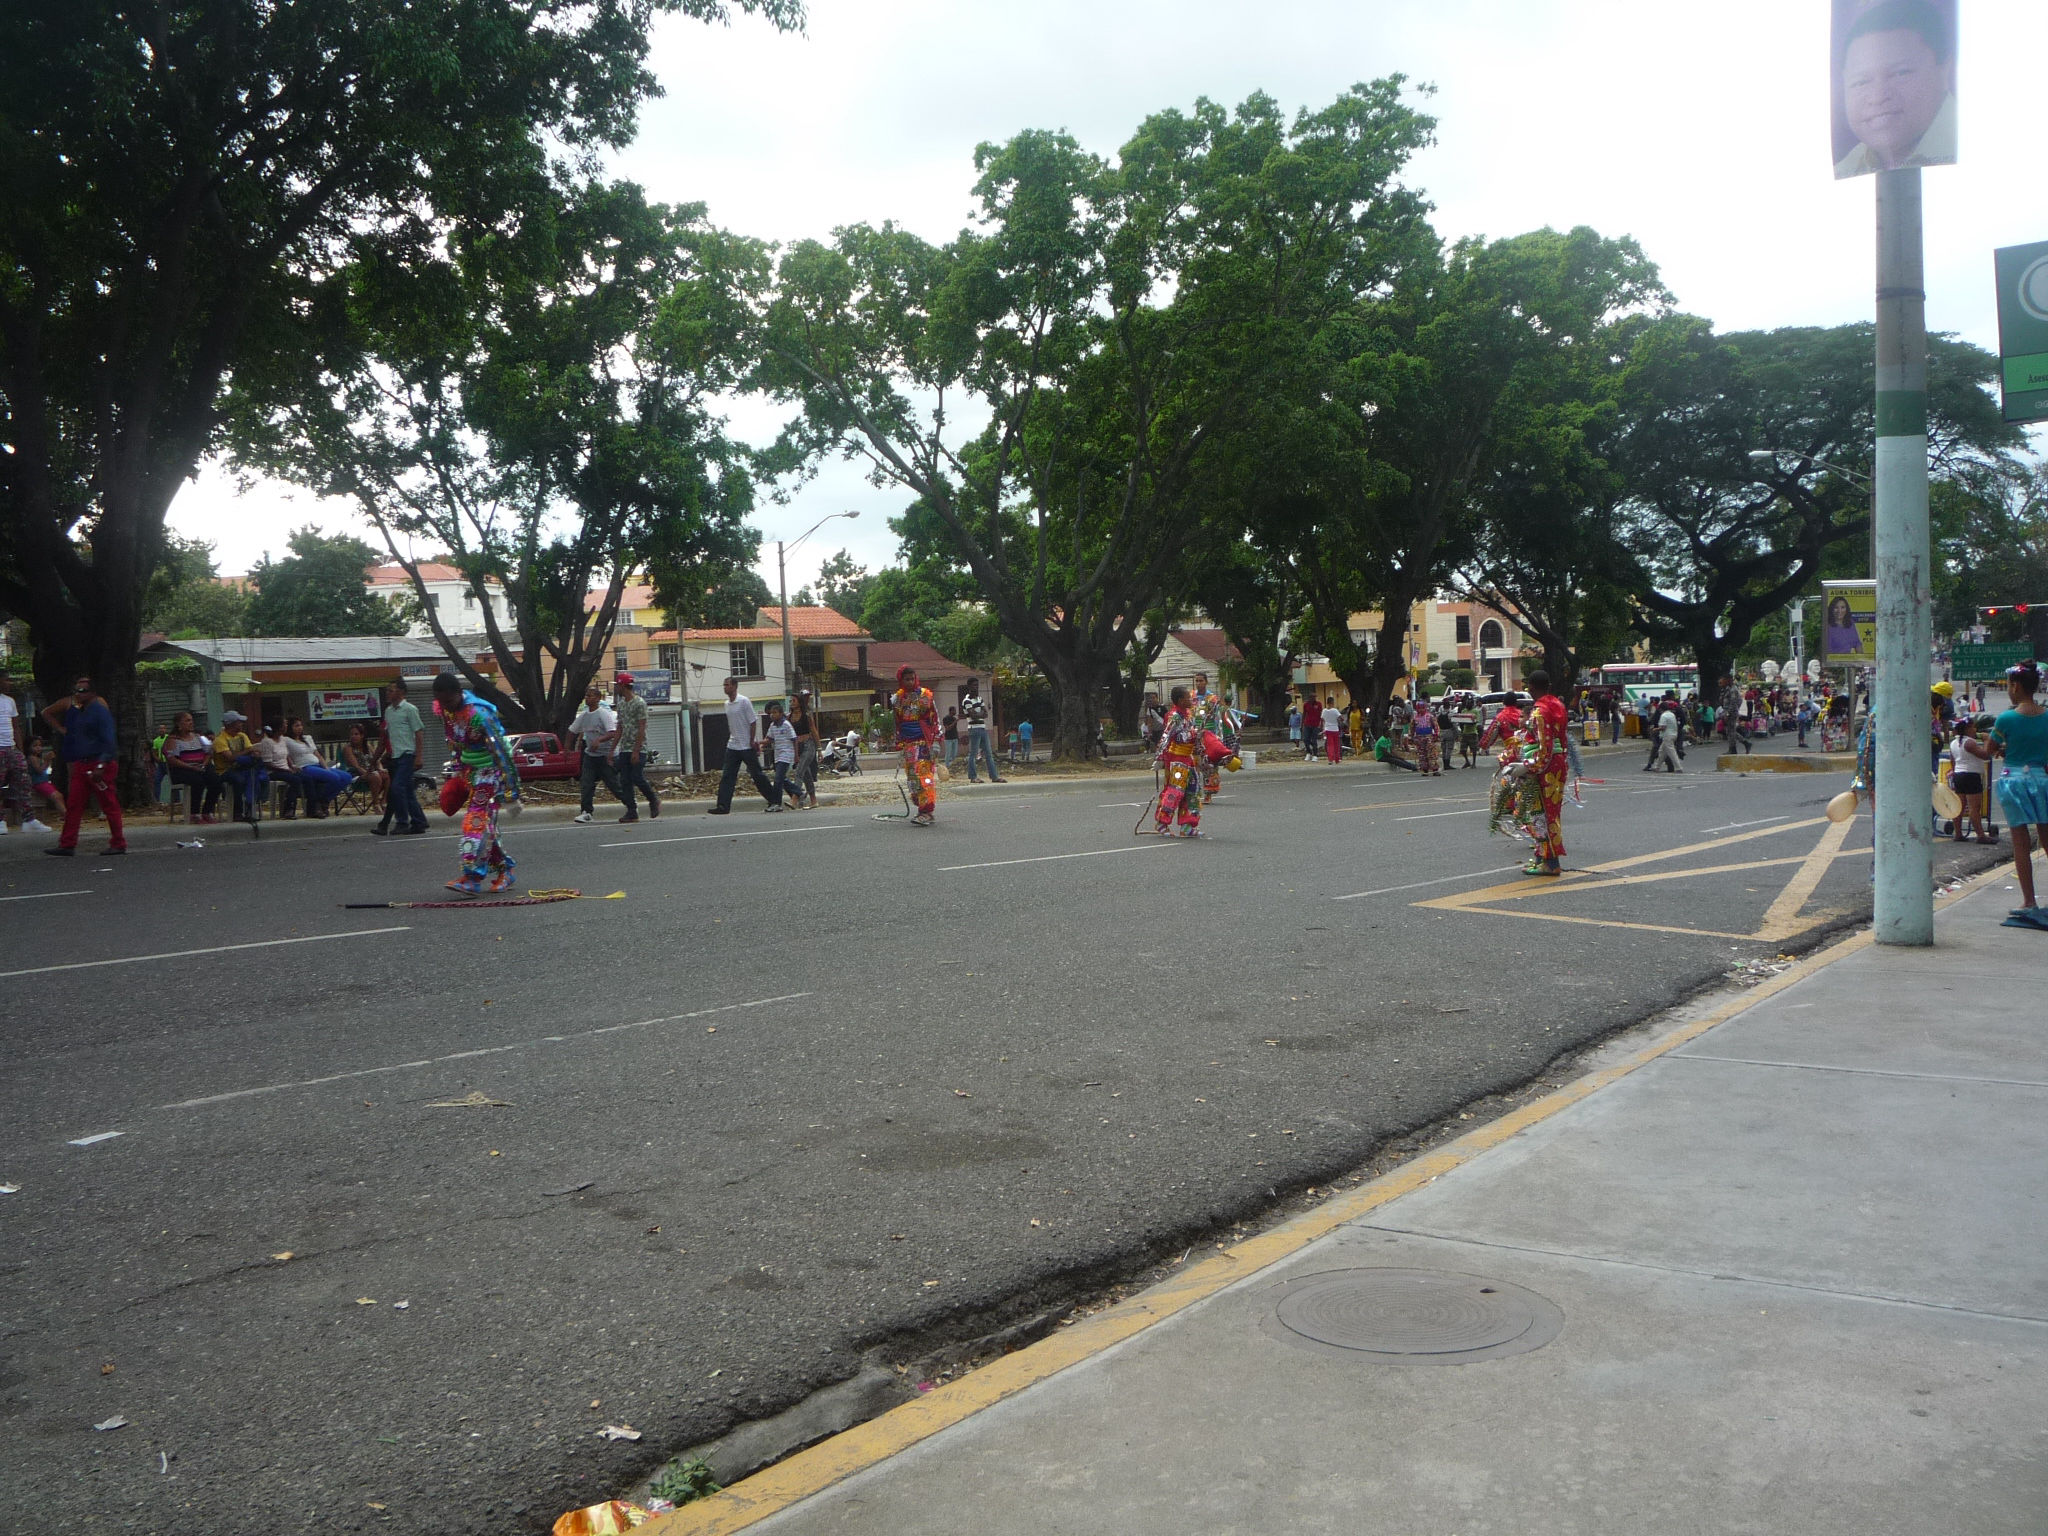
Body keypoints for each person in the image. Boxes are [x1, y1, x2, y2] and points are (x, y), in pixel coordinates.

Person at [1833, 0, 1957, 179]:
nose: (1877, 97)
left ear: (1944, 70)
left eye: (1900, 73)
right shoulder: (1850, 165)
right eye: (1861, 82)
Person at [431, 672, 521, 895]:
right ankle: (505, 870)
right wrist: (458, 772)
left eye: (448, 702)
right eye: (441, 702)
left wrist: (512, 792)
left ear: (459, 694)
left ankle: (472, 877)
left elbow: (501, 752)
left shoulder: (480, 714)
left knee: (475, 821)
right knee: (487, 828)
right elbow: (455, 744)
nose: (445, 707)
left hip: (491, 772)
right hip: (472, 773)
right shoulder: (446, 710)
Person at [1974, 662, 2048, 913]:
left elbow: (1987, 753)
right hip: (2042, 781)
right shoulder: (2047, 716)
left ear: (2016, 686)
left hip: (2014, 783)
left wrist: (1982, 741)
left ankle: (2029, 901)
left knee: (2021, 842)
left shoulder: (2006, 718)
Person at [39, 675, 126, 856]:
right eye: (76, 690)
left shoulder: (99, 711)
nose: (78, 694)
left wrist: (101, 765)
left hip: (98, 763)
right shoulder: (80, 711)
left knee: (109, 803)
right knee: (74, 804)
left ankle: (118, 842)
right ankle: (67, 843)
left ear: (92, 692)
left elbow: (109, 740)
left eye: (83, 691)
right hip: (82, 763)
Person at [1520, 671, 1571, 876]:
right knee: (1548, 812)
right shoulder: (1557, 704)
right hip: (1557, 764)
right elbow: (1561, 741)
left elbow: (1545, 746)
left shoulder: (1539, 711)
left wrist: (1529, 767)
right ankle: (1543, 857)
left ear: (1532, 687)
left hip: (1545, 766)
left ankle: (1550, 862)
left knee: (1541, 813)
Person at [709, 676, 778, 814]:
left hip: (746, 745)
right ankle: (723, 806)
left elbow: (753, 722)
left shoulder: (744, 701)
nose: (725, 687)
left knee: (757, 774)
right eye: (724, 685)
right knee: (727, 775)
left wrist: (752, 740)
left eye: (727, 685)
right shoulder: (726, 704)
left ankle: (774, 800)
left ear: (734, 686)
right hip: (733, 745)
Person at [888, 664, 942, 826]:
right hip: (908, 746)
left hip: (924, 743)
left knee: (924, 777)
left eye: (912, 678)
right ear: (901, 680)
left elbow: (935, 719)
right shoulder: (897, 699)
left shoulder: (926, 696)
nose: (910, 682)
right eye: (907, 679)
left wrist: (937, 741)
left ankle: (927, 811)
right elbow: (897, 723)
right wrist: (899, 742)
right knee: (912, 778)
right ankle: (921, 809)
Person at [376, 678, 430, 836]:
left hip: (407, 754)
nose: (388, 693)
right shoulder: (388, 711)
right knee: (406, 790)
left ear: (400, 692)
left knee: (397, 787)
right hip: (395, 755)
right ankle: (419, 821)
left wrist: (419, 756)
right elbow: (389, 736)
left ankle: (402, 822)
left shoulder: (409, 709)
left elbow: (418, 733)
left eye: (391, 690)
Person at [1150, 685, 1204, 838]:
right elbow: (1171, 737)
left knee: (1193, 791)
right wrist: (1159, 758)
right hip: (1176, 760)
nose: (1191, 699)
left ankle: (1188, 826)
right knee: (1175, 791)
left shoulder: (1187, 715)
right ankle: (1162, 823)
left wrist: (1199, 747)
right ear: (1180, 700)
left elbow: (1193, 737)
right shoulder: (1174, 716)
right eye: (1188, 697)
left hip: (1188, 759)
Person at [567, 682, 622, 824]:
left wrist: (599, 740)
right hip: (590, 756)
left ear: (598, 698)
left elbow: (612, 732)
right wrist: (567, 749)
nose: (587, 698)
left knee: (614, 785)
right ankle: (586, 812)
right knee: (586, 783)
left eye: (590, 696)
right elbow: (571, 731)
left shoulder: (603, 714)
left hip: (606, 756)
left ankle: (631, 805)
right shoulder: (584, 715)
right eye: (586, 695)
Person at [610, 672, 660, 822]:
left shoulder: (639, 703)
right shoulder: (621, 704)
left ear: (623, 685)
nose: (616, 688)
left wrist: (636, 750)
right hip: (624, 747)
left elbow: (642, 727)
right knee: (625, 780)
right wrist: (612, 749)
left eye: (618, 685)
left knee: (636, 776)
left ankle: (653, 799)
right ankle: (632, 811)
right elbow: (619, 727)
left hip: (638, 747)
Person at [160, 711, 224, 823]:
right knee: (197, 782)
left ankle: (207, 811)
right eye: (187, 720)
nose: (191, 723)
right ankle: (194, 813)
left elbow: (209, 751)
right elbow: (171, 759)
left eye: (191, 720)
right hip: (182, 770)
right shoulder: (172, 740)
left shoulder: (199, 737)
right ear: (179, 724)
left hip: (200, 767)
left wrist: (204, 763)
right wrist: (190, 767)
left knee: (216, 781)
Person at [281, 718, 350, 818]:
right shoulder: (286, 740)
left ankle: (324, 801)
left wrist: (326, 767)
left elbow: (317, 754)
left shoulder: (307, 738)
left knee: (346, 777)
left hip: (317, 764)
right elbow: (286, 755)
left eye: (300, 725)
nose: (299, 728)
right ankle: (317, 802)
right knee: (334, 778)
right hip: (305, 766)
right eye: (296, 726)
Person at [0, 676, 43, 834]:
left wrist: (20, 749)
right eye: (5, 680)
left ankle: (28, 819)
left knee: (23, 781)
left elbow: (15, 726)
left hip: (10, 747)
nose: (9, 683)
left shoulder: (9, 701)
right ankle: (1, 820)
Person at [1189, 671, 1239, 802]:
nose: (1199, 683)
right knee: (1194, 763)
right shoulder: (1191, 697)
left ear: (1206, 682)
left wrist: (1221, 733)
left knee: (1208, 764)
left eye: (1201, 680)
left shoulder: (1212, 699)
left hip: (1208, 735)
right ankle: (1193, 792)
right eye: (1197, 681)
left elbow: (1219, 717)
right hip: (1194, 734)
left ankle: (1208, 794)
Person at [1947, 716, 1993, 844]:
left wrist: (1954, 770)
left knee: (1959, 806)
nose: (1975, 730)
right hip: (1971, 775)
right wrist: (1987, 740)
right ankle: (1980, 835)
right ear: (1967, 729)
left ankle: (1958, 833)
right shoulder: (1969, 743)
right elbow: (1985, 755)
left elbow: (1952, 760)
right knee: (1974, 807)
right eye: (1972, 727)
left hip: (1959, 774)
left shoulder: (1953, 743)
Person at [212, 710, 265, 822]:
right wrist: (247, 751)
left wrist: (250, 752)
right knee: (239, 780)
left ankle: (250, 806)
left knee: (255, 776)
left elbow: (251, 751)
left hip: (242, 767)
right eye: (239, 722)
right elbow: (230, 757)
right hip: (225, 770)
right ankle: (237, 811)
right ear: (231, 724)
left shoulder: (242, 736)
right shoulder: (220, 740)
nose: (241, 724)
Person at [960, 679, 1003, 784]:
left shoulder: (979, 698)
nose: (976, 687)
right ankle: (973, 777)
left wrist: (977, 714)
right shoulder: (966, 700)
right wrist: (980, 714)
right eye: (974, 685)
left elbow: (985, 714)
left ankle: (994, 777)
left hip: (982, 728)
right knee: (973, 754)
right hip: (974, 729)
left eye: (977, 685)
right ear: (969, 686)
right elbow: (974, 715)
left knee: (989, 754)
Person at [341, 722, 387, 819]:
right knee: (376, 776)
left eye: (356, 734)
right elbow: (356, 766)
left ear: (362, 735)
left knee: (386, 775)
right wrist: (367, 773)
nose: (353, 736)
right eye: (351, 734)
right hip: (356, 774)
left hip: (372, 771)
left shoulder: (368, 746)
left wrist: (380, 768)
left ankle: (383, 801)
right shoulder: (348, 748)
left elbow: (377, 760)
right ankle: (376, 804)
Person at [789, 691, 822, 808]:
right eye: (790, 701)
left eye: (794, 700)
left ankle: (794, 799)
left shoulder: (806, 716)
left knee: (799, 772)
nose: (791, 703)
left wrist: (819, 749)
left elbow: (814, 731)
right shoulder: (789, 717)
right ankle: (814, 801)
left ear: (799, 702)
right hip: (798, 747)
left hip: (808, 746)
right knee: (806, 775)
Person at [764, 700, 800, 808]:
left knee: (778, 779)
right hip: (777, 755)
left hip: (786, 754)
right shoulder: (772, 726)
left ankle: (776, 803)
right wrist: (759, 744)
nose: (772, 715)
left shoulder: (786, 724)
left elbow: (795, 739)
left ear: (780, 713)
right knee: (782, 778)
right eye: (771, 713)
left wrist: (796, 755)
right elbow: (769, 739)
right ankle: (798, 792)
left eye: (775, 713)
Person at [1647, 697, 1683, 774]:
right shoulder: (1672, 714)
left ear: (1661, 709)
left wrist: (1655, 729)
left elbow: (1663, 727)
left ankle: (1679, 767)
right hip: (1673, 734)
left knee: (1671, 752)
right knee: (1662, 751)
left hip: (1667, 735)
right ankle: (1657, 767)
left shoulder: (1663, 716)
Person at [1412, 696, 1441, 776]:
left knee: (1431, 753)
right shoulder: (1415, 718)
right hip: (1419, 738)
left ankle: (1435, 769)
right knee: (1422, 755)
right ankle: (1424, 770)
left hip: (1429, 738)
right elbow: (1412, 728)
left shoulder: (1430, 716)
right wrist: (1411, 737)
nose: (1420, 710)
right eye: (1419, 708)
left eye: (1422, 708)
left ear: (1425, 708)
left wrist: (1436, 735)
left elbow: (1436, 726)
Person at [1301, 694, 1324, 761]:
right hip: (1307, 724)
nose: (1313, 699)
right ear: (1309, 698)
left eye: (1314, 697)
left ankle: (1315, 755)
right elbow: (1304, 714)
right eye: (1312, 697)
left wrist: (1321, 725)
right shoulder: (1306, 704)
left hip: (1315, 725)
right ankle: (1309, 752)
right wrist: (1301, 724)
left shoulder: (1318, 704)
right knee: (1305, 739)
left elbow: (1321, 715)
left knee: (1314, 740)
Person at [1322, 697, 1344, 764]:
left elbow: (1322, 720)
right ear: (1332, 702)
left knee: (1330, 745)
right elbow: (1341, 718)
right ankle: (1337, 759)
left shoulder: (1324, 711)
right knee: (1336, 745)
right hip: (1335, 729)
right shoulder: (1335, 710)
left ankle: (1330, 759)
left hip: (1327, 729)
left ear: (1327, 702)